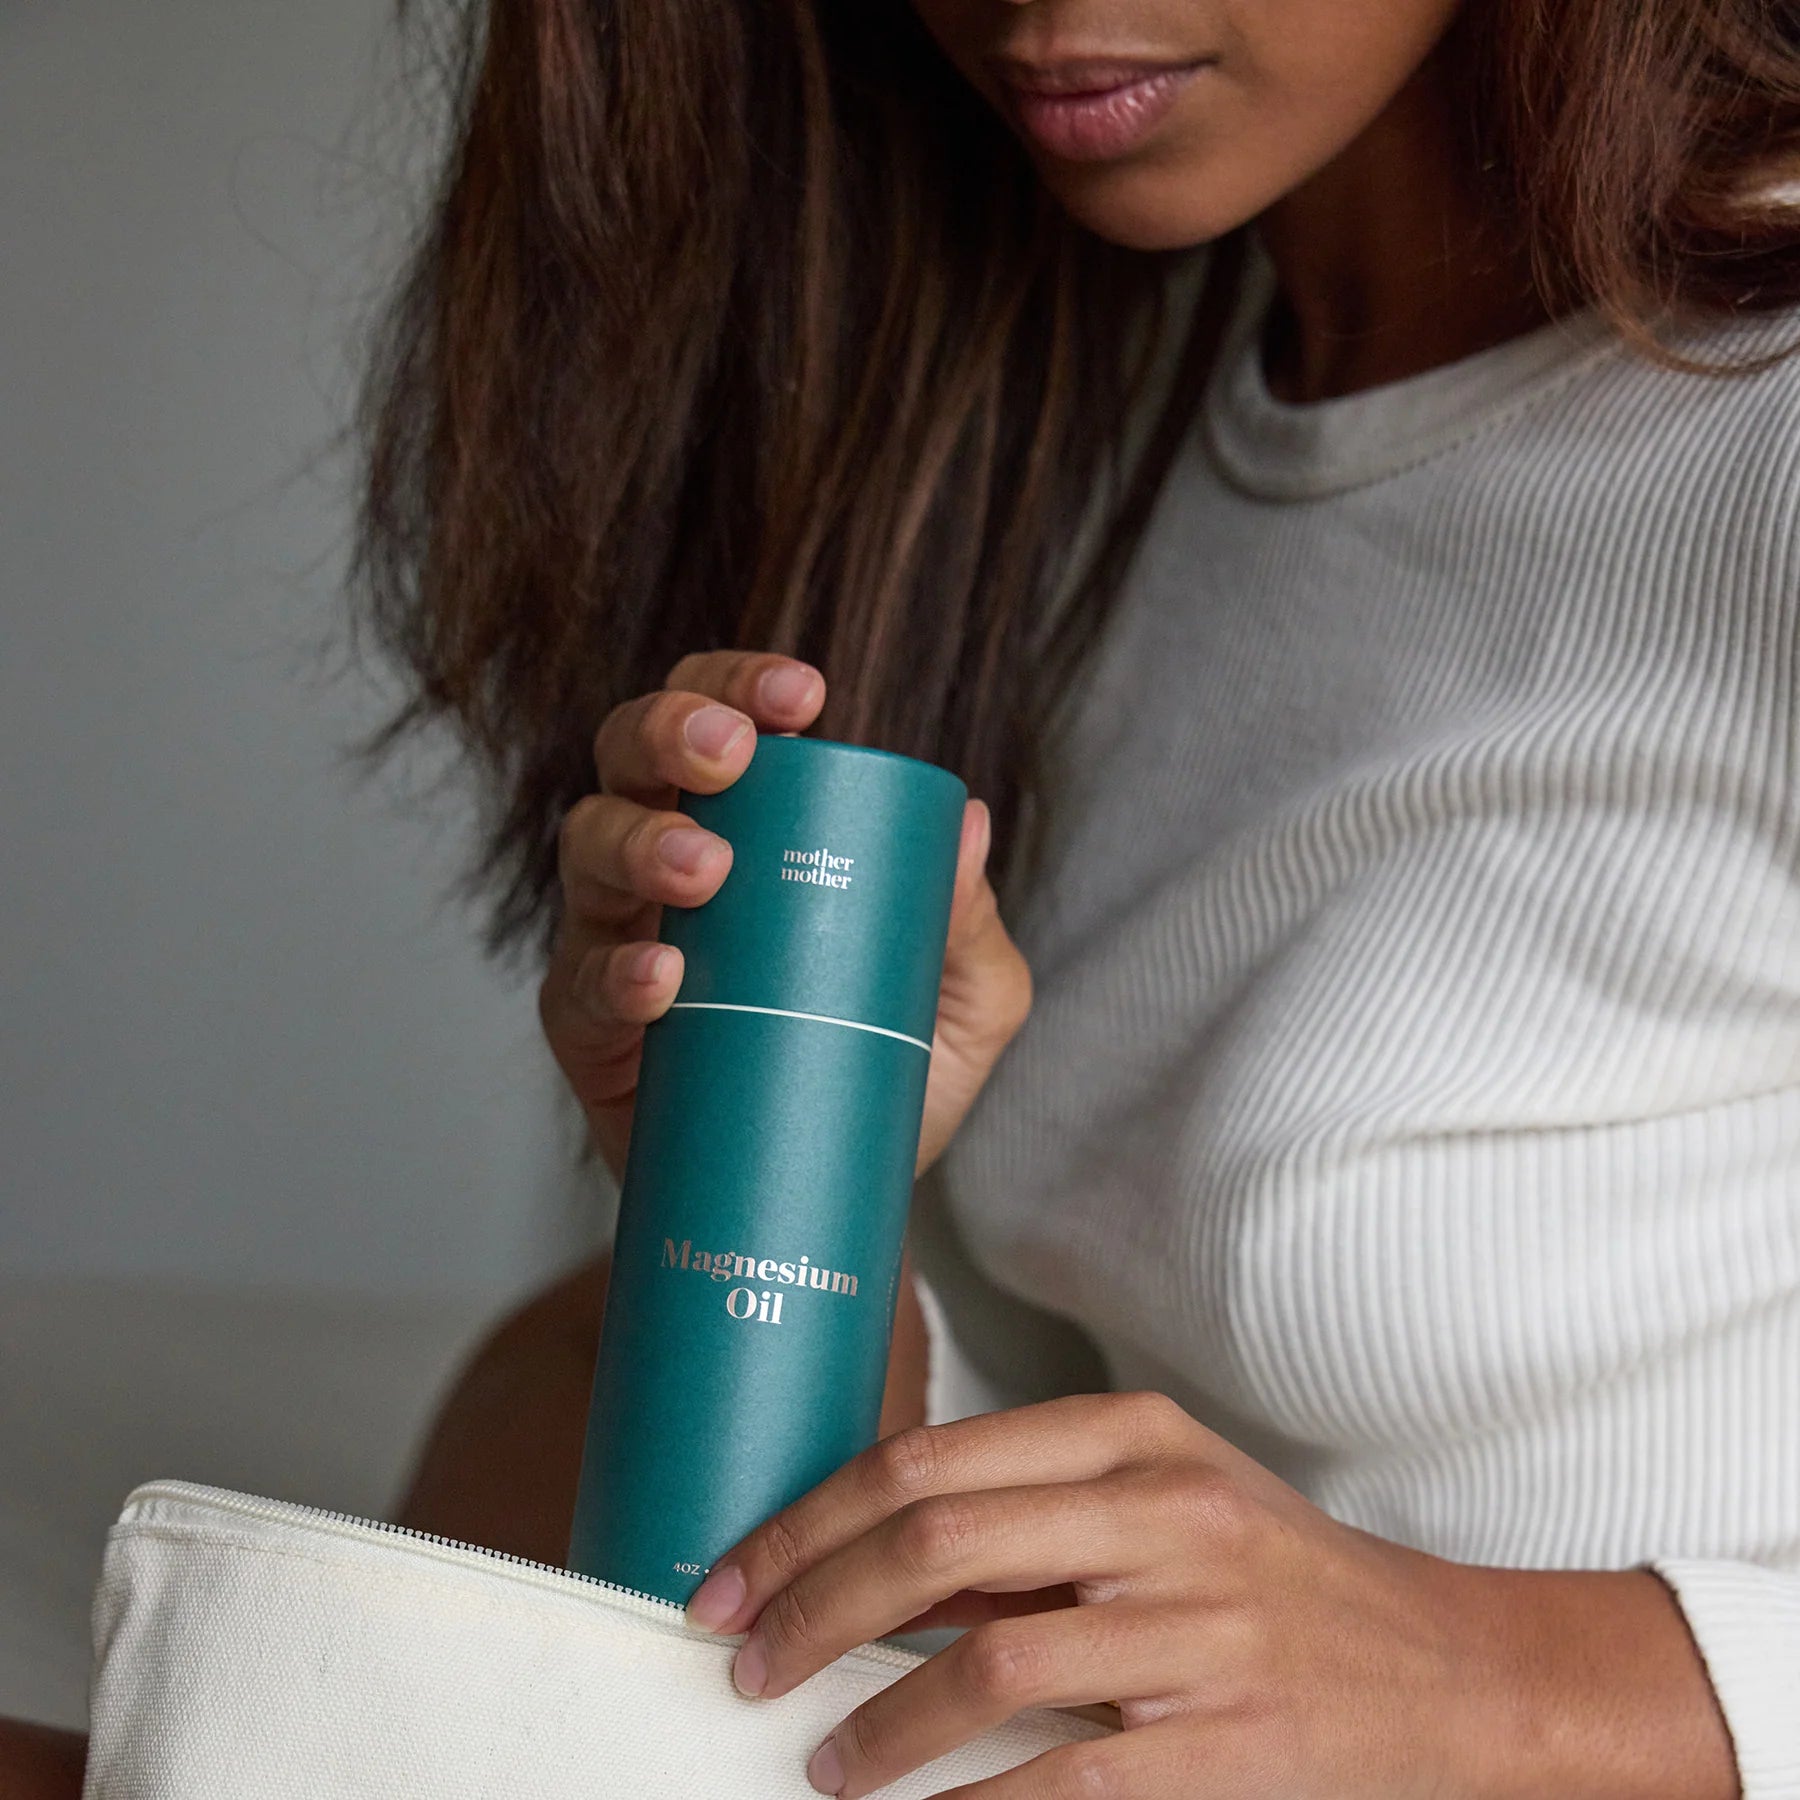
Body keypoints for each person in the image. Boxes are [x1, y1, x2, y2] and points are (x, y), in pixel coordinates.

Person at [6, 0, 1796, 1793]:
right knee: (553, 1380)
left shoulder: (1754, 461)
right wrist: (775, 1200)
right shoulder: (1067, 411)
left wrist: (1497, 1679)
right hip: (1070, 1731)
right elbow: (1035, 1440)